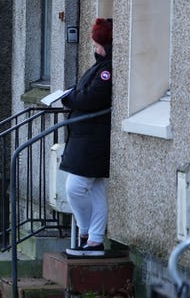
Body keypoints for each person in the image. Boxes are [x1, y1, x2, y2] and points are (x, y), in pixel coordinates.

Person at [59, 18, 113, 257]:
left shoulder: (107, 69)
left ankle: (85, 232)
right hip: (87, 135)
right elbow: (84, 92)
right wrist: (72, 94)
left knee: (75, 187)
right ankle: (95, 242)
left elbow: (92, 99)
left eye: (95, 43)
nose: (94, 48)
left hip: (93, 138)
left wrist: (68, 98)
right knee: (97, 190)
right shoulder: (101, 65)